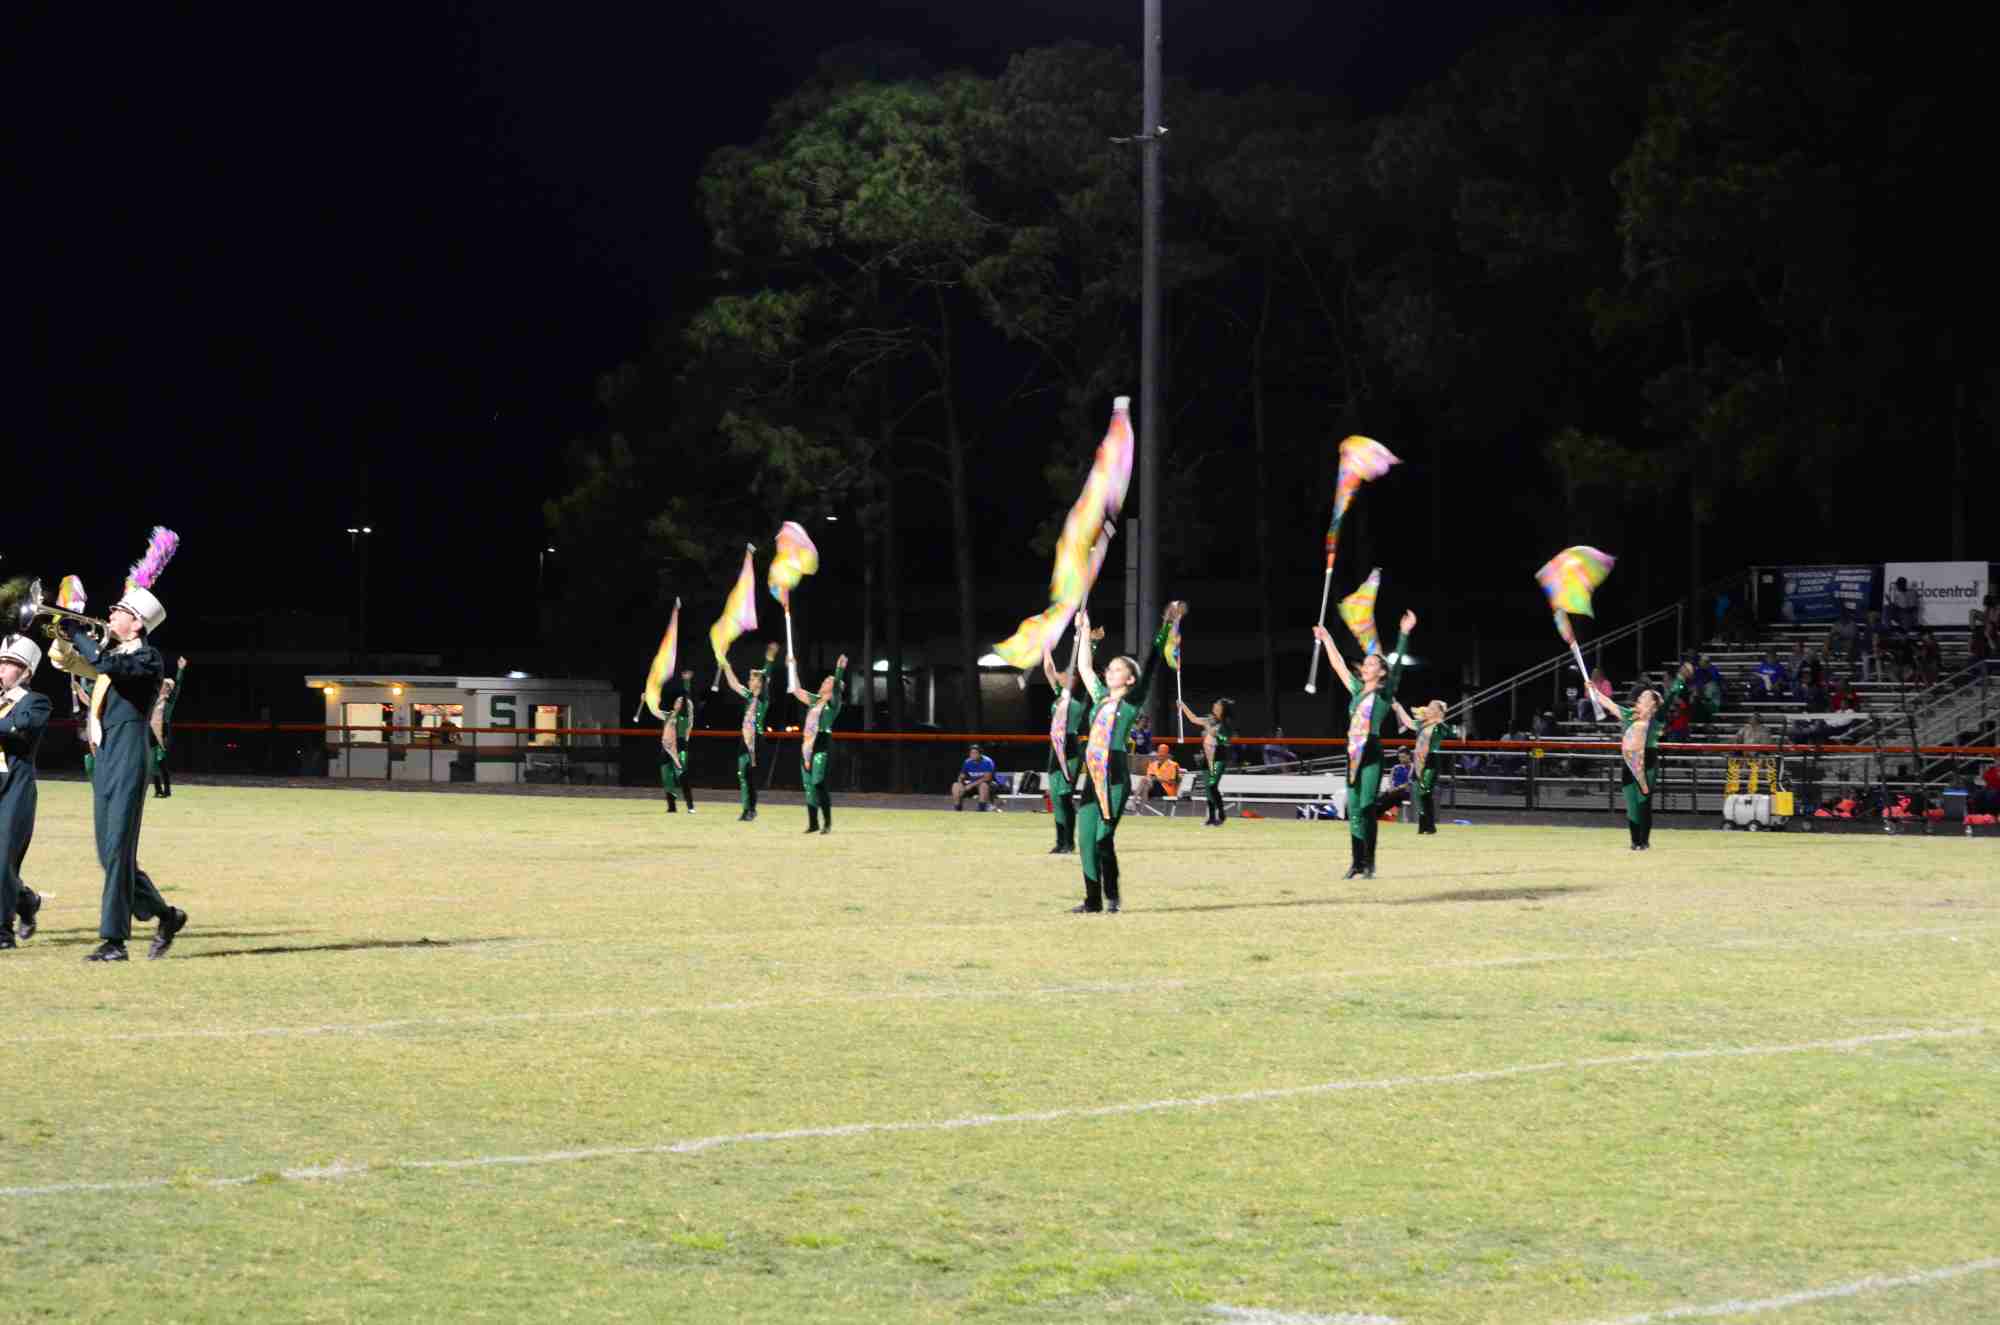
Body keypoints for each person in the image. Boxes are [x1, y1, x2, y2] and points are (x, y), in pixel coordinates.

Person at [51, 587, 188, 960]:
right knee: (109, 852)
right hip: (106, 754)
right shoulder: (113, 656)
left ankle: (114, 941)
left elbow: (107, 666)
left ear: (137, 623)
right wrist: (64, 631)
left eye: (118, 612)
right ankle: (167, 915)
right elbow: (68, 662)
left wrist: (80, 633)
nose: (109, 616)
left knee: (118, 851)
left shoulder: (147, 659)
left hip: (130, 751)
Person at [1070, 602, 1182, 912]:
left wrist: (1166, 626)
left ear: (1131, 679)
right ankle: (1092, 901)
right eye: (1110, 668)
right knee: (1086, 840)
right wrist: (1083, 631)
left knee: (1103, 840)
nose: (1110, 671)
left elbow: (1152, 661)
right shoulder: (1100, 697)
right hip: (1092, 778)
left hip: (1115, 777)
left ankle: (1112, 897)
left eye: (1118, 668)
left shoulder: (1132, 701)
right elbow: (1084, 668)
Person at [1312, 606, 1418, 880]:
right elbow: (1338, 665)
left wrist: (1403, 634)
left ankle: (1370, 862)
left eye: (1372, 664)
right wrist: (1327, 638)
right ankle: (1356, 863)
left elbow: (1396, 670)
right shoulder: (1357, 690)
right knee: (1355, 810)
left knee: (1368, 806)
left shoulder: (1384, 694)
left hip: (1370, 752)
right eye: (1366, 663)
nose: (1366, 666)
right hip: (1352, 754)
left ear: (1381, 673)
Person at [1588, 662, 1693, 850]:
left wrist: (1680, 679)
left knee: (1643, 803)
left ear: (1653, 704)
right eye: (1640, 696)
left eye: (1644, 696)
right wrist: (1593, 690)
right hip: (1629, 763)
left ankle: (1643, 842)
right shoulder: (1628, 715)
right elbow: (1609, 704)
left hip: (1647, 762)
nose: (1639, 698)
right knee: (1631, 805)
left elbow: (1671, 695)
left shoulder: (1657, 718)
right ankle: (1634, 842)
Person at [0, 635, 51, 950]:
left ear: (26, 672)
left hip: (16, 789)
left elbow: (21, 729)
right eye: (0, 663)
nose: (1, 670)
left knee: (2, 858)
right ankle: (26, 900)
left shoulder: (35, 701)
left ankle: (2, 931)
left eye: (9, 664)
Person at [1041, 626, 1101, 854]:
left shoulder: (1081, 696)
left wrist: (1092, 644)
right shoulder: (1059, 694)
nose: (1062, 674)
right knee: (1055, 798)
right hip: (1054, 750)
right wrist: (1045, 646)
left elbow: (1087, 668)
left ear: (1074, 680)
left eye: (1068, 674)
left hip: (1070, 749)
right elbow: (1048, 668)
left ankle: (1069, 842)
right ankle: (1059, 842)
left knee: (1065, 796)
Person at [718, 644, 781, 822]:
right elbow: (733, 683)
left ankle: (751, 809)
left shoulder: (763, 697)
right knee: (742, 775)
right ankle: (746, 809)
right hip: (744, 740)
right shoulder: (748, 696)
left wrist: (769, 660)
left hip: (756, 740)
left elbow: (766, 676)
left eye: (752, 679)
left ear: (759, 683)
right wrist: (726, 665)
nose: (748, 681)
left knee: (750, 776)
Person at [789, 654, 848, 834]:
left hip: (822, 743)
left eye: (828, 681)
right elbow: (796, 690)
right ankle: (813, 823)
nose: (824, 681)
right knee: (808, 786)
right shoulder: (814, 700)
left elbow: (836, 688)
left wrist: (839, 670)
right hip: (808, 745)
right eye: (825, 680)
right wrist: (792, 667)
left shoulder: (834, 703)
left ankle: (827, 823)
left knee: (818, 782)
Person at [1392, 698, 1456, 835]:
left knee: (1425, 792)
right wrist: (1399, 708)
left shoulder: (1439, 726)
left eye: (1433, 708)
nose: (1429, 709)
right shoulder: (1422, 723)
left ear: (1439, 712)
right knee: (1420, 794)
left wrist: (1442, 722)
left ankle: (1429, 825)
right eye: (1429, 707)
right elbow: (1408, 722)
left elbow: (1453, 733)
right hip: (1419, 760)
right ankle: (1424, 826)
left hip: (1431, 760)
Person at [1176, 695, 1234, 826]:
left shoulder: (1226, 724)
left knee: (1213, 786)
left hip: (1218, 758)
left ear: (1223, 709)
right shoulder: (1210, 720)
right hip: (1207, 758)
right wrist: (1182, 706)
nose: (1214, 706)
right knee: (1208, 789)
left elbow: (1226, 740)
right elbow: (1193, 719)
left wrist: (1215, 733)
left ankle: (1222, 814)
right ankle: (1211, 818)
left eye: (1217, 705)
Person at [149, 655, 187, 798]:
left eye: (166, 686)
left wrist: (180, 670)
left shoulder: (169, 701)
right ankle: (158, 789)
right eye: (162, 684)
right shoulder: (154, 699)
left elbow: (178, 687)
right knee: (152, 762)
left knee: (161, 762)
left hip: (162, 731)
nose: (163, 687)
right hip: (150, 731)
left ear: (169, 689)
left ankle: (167, 790)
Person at [658, 692, 695, 814]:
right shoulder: (669, 715)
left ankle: (690, 806)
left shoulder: (685, 718)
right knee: (666, 777)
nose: (677, 702)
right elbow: (655, 711)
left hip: (679, 748)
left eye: (680, 701)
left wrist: (685, 686)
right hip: (666, 748)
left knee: (681, 776)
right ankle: (672, 807)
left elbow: (684, 702)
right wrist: (648, 699)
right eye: (677, 700)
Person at [952, 743, 997, 811]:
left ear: (980, 754)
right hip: (972, 785)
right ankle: (958, 809)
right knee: (955, 785)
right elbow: (961, 776)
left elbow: (987, 778)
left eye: (975, 753)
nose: (973, 755)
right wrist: (960, 783)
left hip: (988, 785)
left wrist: (970, 785)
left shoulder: (987, 762)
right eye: (971, 753)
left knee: (983, 785)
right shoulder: (967, 762)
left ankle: (981, 809)